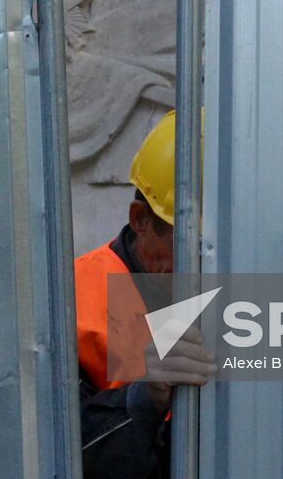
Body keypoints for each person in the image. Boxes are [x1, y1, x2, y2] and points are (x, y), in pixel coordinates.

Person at [73, 111, 217, 478]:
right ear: (140, 219)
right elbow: (56, 456)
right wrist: (144, 398)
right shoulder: (71, 305)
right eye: (192, 243)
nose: (205, 263)